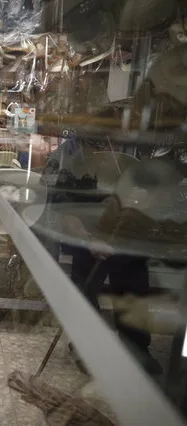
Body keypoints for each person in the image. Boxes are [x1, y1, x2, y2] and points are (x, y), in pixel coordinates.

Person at [41, 137, 162, 375]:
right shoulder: (66, 158)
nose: (107, 149)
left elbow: (152, 199)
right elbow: (61, 206)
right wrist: (88, 239)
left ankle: (135, 348)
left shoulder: (131, 152)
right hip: (85, 234)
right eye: (96, 145)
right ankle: (88, 347)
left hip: (124, 235)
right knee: (84, 288)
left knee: (133, 286)